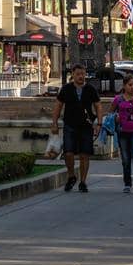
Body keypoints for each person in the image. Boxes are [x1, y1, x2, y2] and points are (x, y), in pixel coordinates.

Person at [51, 62, 100, 192]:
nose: (81, 76)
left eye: (83, 74)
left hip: (86, 126)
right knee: (68, 152)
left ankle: (83, 181)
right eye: (78, 74)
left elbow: (98, 106)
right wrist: (54, 123)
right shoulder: (66, 89)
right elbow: (58, 106)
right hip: (70, 125)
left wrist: (99, 123)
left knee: (84, 154)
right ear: (72, 74)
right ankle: (71, 175)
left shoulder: (90, 89)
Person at [106, 72, 133, 194]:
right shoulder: (118, 100)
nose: (132, 87)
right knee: (125, 159)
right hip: (123, 132)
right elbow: (109, 114)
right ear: (124, 86)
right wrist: (115, 118)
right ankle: (127, 183)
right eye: (130, 85)